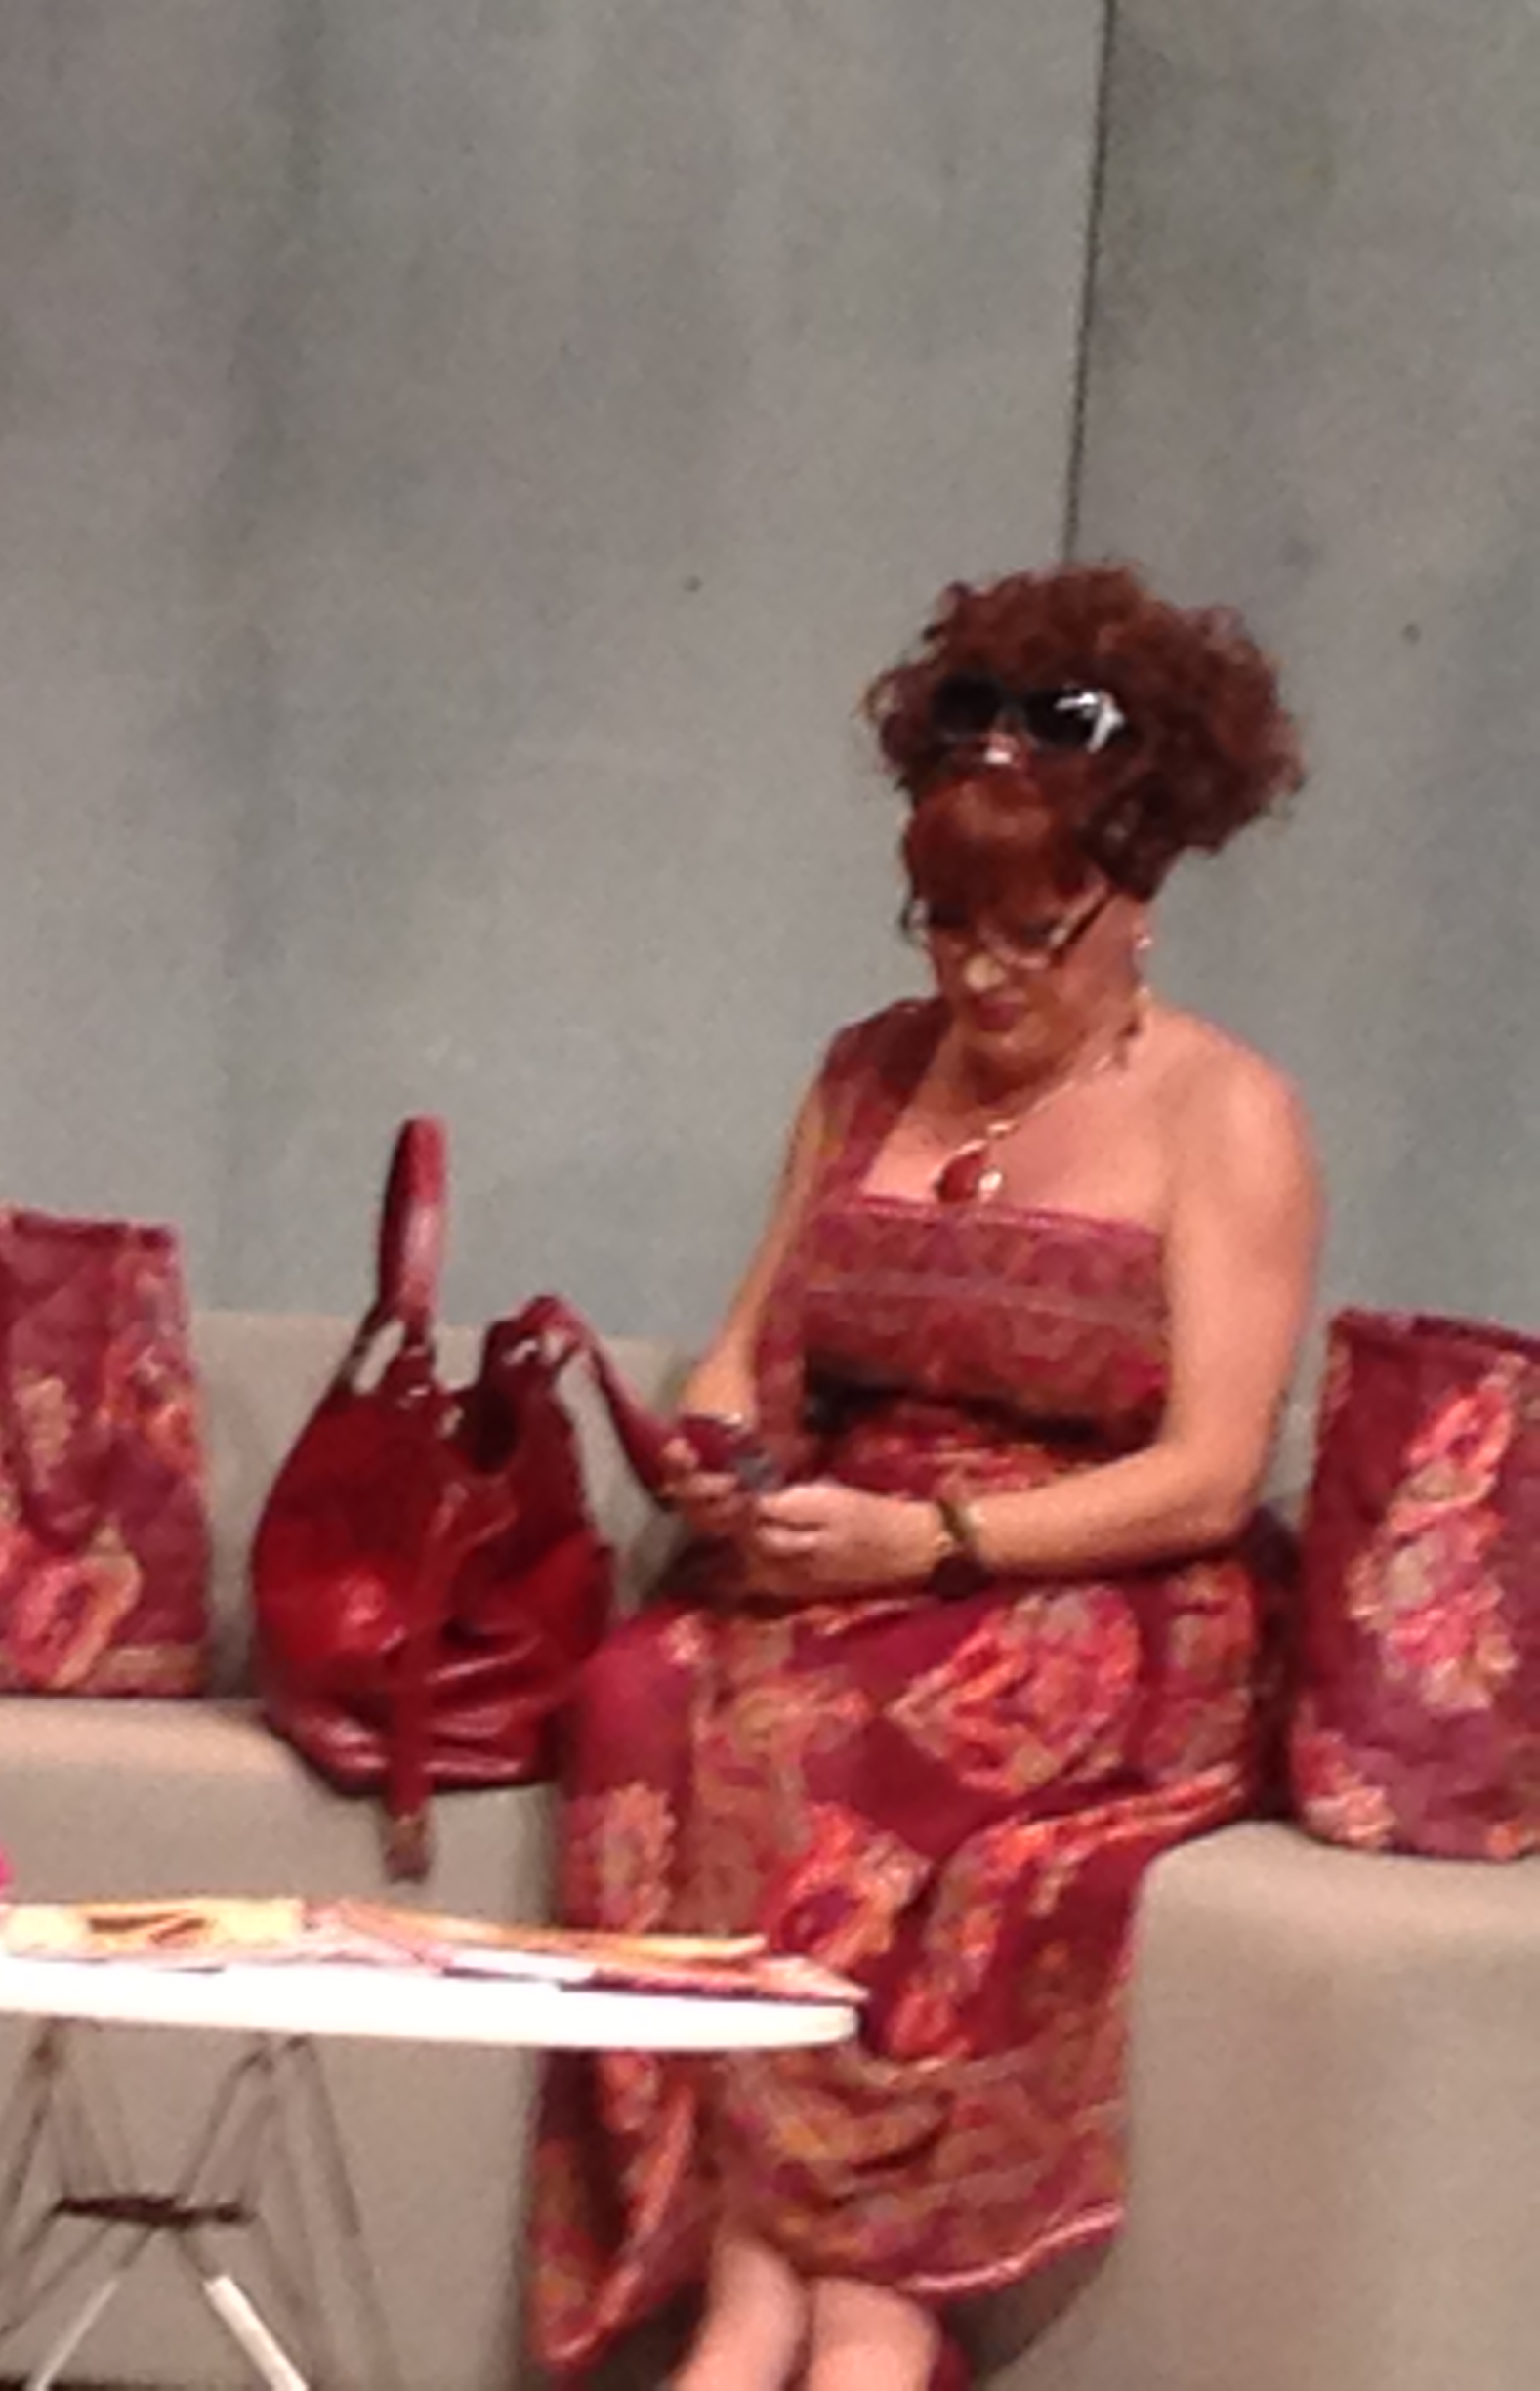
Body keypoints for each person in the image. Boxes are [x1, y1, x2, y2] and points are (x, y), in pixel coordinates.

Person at [528, 565, 1319, 2391]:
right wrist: (722, 1463)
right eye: (945, 926)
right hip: (847, 1555)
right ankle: (754, 2290)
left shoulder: (1226, 1115)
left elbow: (1208, 1477)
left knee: (837, 1736)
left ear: (1139, 898)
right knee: (642, 1692)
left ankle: (845, 2317)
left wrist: (935, 1540)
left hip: (1096, 1579)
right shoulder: (864, 1074)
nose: (980, 974)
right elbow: (753, 1348)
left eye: (1032, 933)